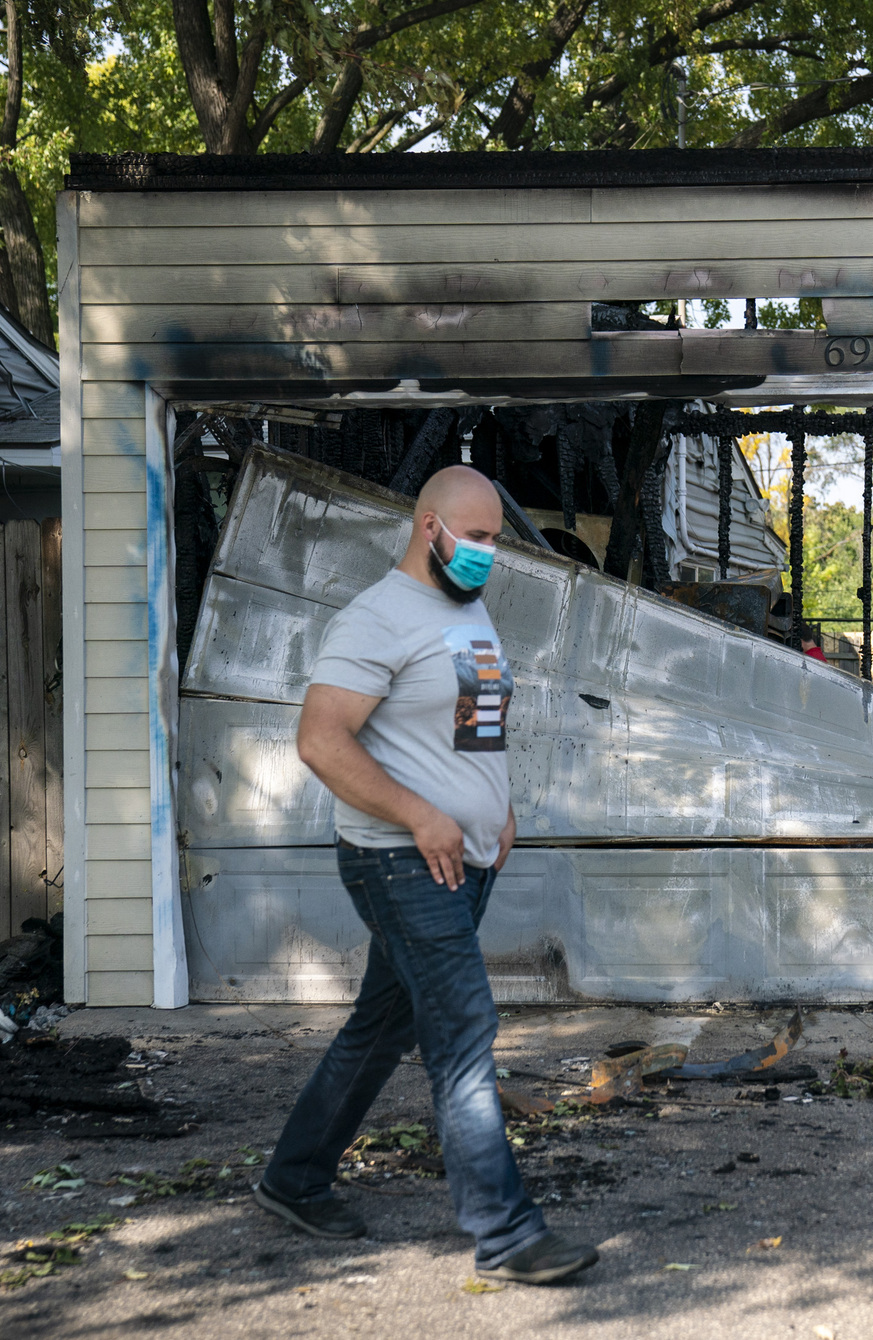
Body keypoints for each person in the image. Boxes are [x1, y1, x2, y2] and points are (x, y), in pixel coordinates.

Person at [253, 465, 599, 1286]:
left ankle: (293, 1177)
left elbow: (476, 720)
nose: (487, 554)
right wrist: (418, 813)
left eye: (494, 540)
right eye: (475, 537)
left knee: (383, 1026)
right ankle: (506, 1232)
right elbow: (320, 741)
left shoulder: (468, 612)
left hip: (464, 859)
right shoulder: (375, 618)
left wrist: (496, 805)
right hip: (398, 859)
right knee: (463, 1027)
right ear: (428, 527)